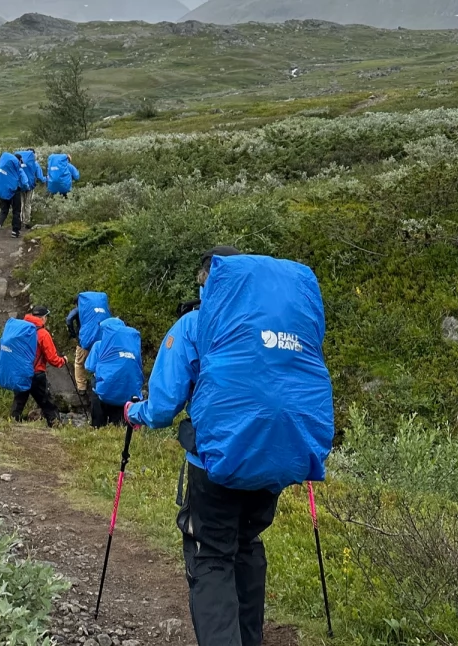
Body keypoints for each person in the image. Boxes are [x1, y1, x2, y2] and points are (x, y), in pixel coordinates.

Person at [125, 245, 283, 646]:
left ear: (208, 280)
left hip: (213, 461)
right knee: (247, 545)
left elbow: (162, 407)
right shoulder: (276, 328)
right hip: (272, 460)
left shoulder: (195, 325)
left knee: (211, 556)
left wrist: (134, 413)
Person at [11, 306, 67, 427]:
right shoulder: (43, 334)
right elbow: (53, 359)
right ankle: (56, 426)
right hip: (36, 374)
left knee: (19, 402)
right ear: (43, 318)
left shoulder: (21, 330)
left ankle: (11, 426)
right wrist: (63, 361)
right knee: (47, 403)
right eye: (46, 317)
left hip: (21, 373)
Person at [0, 152, 24, 239]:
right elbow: (24, 181)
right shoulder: (18, 169)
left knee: (4, 211)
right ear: (18, 161)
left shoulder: (4, 167)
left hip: (3, 190)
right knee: (16, 211)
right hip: (15, 191)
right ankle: (15, 231)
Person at [16, 148, 46, 229]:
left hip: (20, 186)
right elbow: (40, 177)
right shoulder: (35, 164)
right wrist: (45, 179)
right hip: (30, 186)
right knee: (28, 204)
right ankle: (27, 222)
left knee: (21, 203)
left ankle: (19, 221)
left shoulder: (18, 163)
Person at [64, 306, 90, 398]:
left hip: (84, 340)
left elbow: (69, 319)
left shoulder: (79, 309)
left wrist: (73, 334)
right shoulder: (96, 308)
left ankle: (82, 388)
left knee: (79, 363)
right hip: (99, 340)